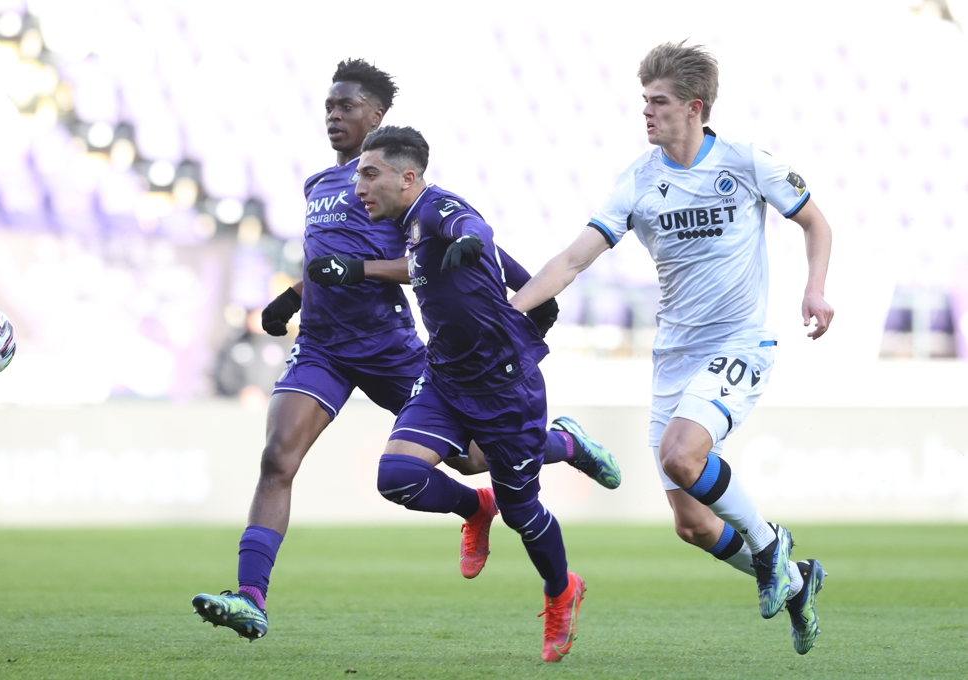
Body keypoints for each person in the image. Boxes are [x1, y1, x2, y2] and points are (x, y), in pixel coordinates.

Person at [192, 59, 618, 642]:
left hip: (387, 344)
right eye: (328, 106)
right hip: (321, 346)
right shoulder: (318, 185)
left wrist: (361, 270)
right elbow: (328, 260)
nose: (334, 116)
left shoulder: (398, 185)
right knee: (277, 460)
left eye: (346, 106)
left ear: (376, 116)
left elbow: (422, 258)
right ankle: (251, 596)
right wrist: (293, 296)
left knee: (474, 458)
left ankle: (558, 446)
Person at [508, 42, 834, 656]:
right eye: (644, 101)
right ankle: (795, 581)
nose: (647, 112)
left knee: (682, 456)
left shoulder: (745, 161)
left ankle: (770, 546)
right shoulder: (639, 180)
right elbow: (573, 259)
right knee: (693, 525)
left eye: (658, 102)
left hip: (739, 342)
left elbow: (816, 222)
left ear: (694, 106)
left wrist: (814, 288)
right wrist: (512, 312)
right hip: (674, 359)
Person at [352, 125, 586, 663]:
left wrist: (467, 240)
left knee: (523, 514)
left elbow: (473, 227)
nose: (359, 186)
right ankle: (476, 507)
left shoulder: (438, 208)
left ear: (407, 177)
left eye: (369, 174)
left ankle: (561, 590)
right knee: (397, 477)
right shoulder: (410, 227)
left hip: (505, 388)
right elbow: (493, 260)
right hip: (444, 379)